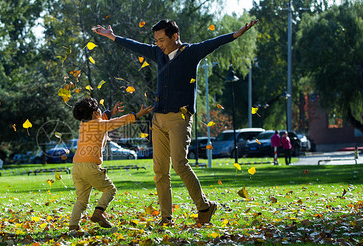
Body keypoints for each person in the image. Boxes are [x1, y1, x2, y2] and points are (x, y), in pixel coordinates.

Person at [93, 18, 257, 226]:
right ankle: (166, 218)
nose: (159, 44)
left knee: (179, 164)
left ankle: (204, 206)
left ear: (174, 36)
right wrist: (112, 36)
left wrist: (236, 34)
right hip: (158, 118)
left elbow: (213, 42)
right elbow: (136, 46)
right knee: (160, 171)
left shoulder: (190, 53)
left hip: (180, 117)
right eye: (156, 40)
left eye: (162, 40)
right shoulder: (158, 54)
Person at [70, 97, 153, 231]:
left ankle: (73, 226)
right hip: (91, 166)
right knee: (110, 189)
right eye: (98, 109)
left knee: (81, 200)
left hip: (77, 166)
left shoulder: (83, 124)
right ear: (94, 113)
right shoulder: (101, 125)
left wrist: (110, 112)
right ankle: (98, 212)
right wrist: (137, 115)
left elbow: (100, 119)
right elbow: (118, 122)